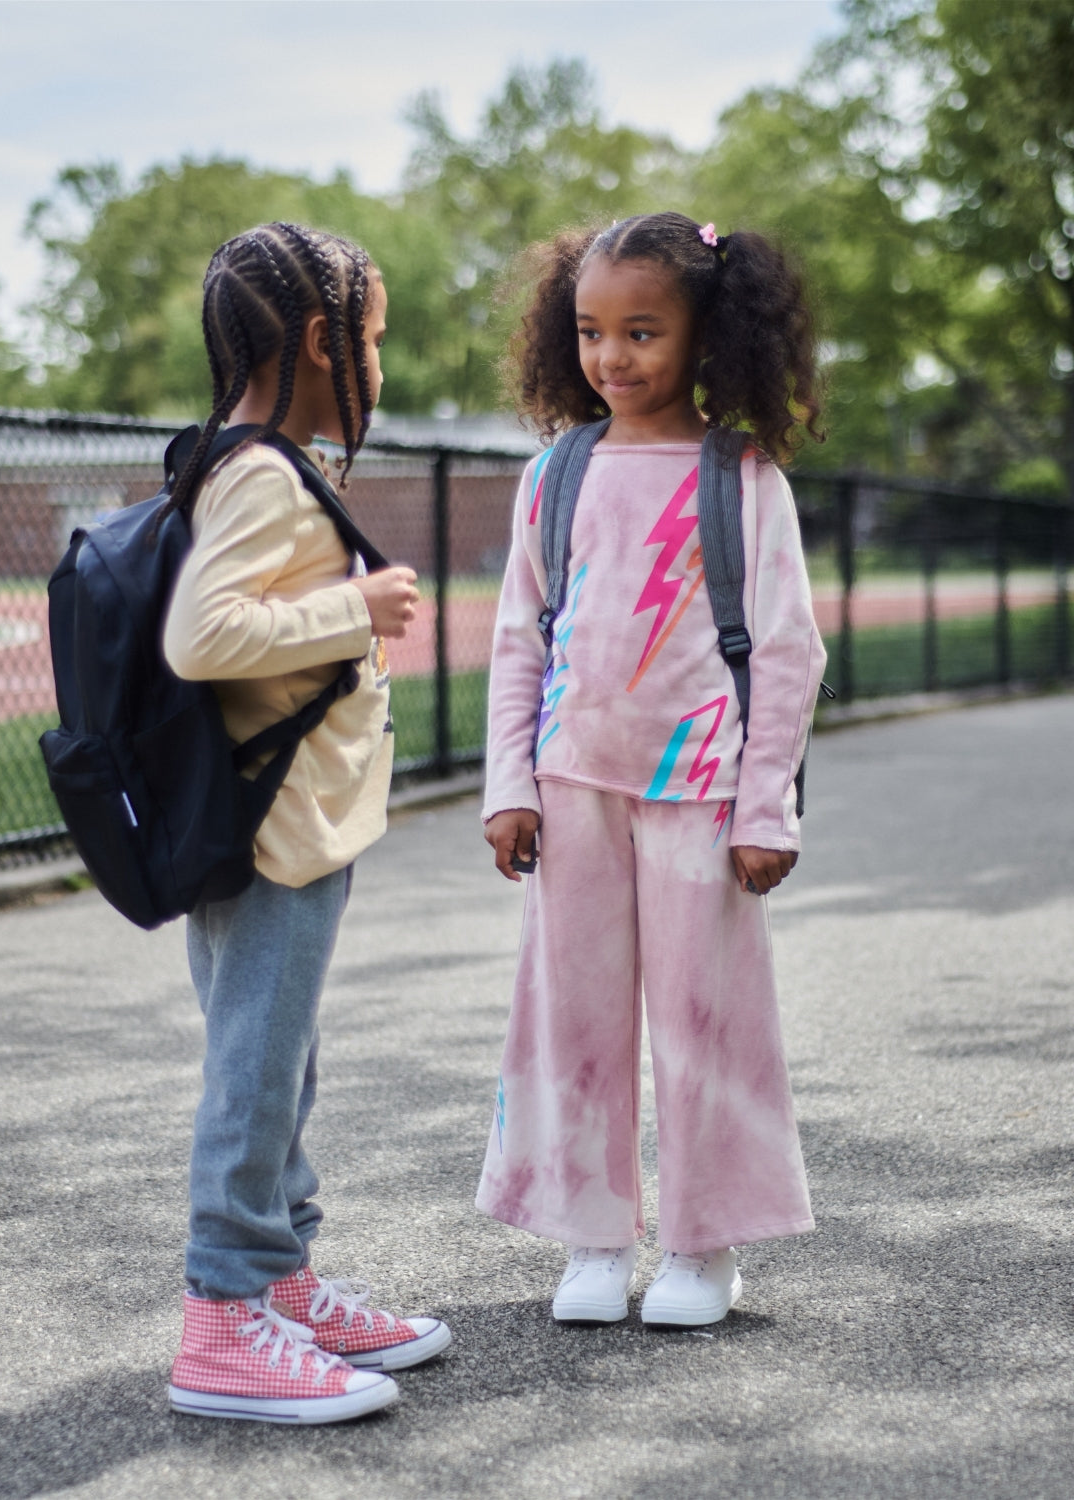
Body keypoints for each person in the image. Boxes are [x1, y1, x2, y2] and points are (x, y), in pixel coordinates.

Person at [479, 212, 826, 1329]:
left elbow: (786, 651)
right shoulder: (555, 474)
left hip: (703, 795)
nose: (613, 358)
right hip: (574, 786)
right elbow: (519, 636)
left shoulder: (743, 477)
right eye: (590, 332)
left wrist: (764, 806)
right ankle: (590, 1236)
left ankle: (704, 1245)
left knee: (705, 1022)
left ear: (709, 336)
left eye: (641, 332)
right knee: (571, 1017)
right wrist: (510, 784)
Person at [160, 223, 450, 1424]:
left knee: (281, 1064)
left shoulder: (237, 458)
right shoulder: (264, 473)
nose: (378, 358)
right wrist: (355, 606)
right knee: (256, 1070)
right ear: (327, 341)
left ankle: (280, 1280)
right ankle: (223, 1321)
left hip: (277, 824)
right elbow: (200, 636)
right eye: (372, 336)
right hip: (271, 832)